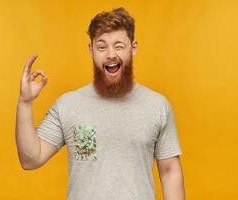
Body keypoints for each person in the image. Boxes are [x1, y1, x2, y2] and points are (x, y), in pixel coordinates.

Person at [16, 7, 185, 200]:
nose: (110, 54)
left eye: (119, 46)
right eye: (102, 47)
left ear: (133, 48)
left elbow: (170, 171)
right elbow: (30, 159)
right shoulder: (68, 105)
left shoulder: (157, 106)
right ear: (91, 50)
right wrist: (25, 102)